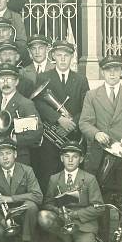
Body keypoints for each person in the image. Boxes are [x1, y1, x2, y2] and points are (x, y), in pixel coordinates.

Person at [79, 55, 122, 242]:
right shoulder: (92, 95)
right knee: (100, 197)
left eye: (116, 69)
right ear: (102, 72)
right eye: (108, 70)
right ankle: (102, 238)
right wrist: (96, 133)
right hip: (100, 156)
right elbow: (84, 122)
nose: (112, 73)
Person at [34, 40, 89, 193]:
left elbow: (87, 106)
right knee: (49, 173)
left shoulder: (81, 79)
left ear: (72, 57)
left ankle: (74, 206)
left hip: (73, 134)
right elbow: (38, 103)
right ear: (53, 57)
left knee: (74, 175)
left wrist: (72, 123)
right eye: (59, 55)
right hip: (51, 137)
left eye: (66, 55)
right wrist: (59, 119)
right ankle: (49, 208)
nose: (63, 59)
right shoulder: (43, 77)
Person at [38, 141, 104, 242]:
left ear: (81, 159)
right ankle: (66, 238)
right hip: (62, 221)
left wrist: (76, 214)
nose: (70, 160)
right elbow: (47, 203)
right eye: (67, 156)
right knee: (43, 216)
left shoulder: (90, 179)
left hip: (83, 224)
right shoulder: (54, 179)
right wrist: (58, 211)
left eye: (75, 157)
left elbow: (99, 207)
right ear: (61, 158)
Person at [0, 137, 42, 242]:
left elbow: (37, 196)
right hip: (3, 216)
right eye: (0, 154)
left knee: (31, 206)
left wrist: (11, 198)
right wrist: (1, 220)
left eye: (8, 153)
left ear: (15, 154)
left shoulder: (27, 170)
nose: (5, 157)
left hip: (22, 215)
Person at [0, 62, 42, 169]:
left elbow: (37, 132)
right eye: (2, 79)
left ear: (17, 81)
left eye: (9, 79)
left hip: (18, 158)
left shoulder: (26, 104)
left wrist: (17, 140)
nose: (5, 83)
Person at [0, 41, 34, 112]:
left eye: (11, 53)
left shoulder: (27, 83)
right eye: (4, 54)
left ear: (17, 57)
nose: (7, 57)